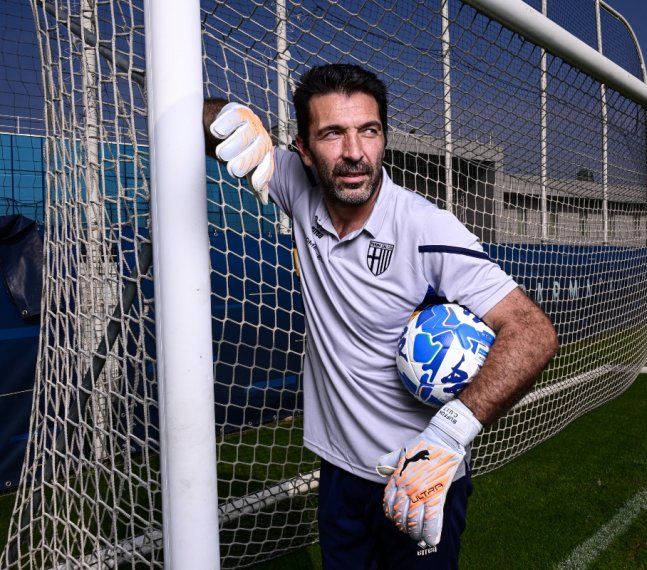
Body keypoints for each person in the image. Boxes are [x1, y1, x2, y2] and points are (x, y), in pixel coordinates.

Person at [204, 63, 557, 569]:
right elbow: (205, 125)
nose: (354, 153)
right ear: (303, 149)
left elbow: (533, 332)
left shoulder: (426, 228)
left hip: (421, 477)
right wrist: (234, 116)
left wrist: (447, 437)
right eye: (332, 134)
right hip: (341, 476)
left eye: (368, 132)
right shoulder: (295, 188)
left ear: (383, 138)